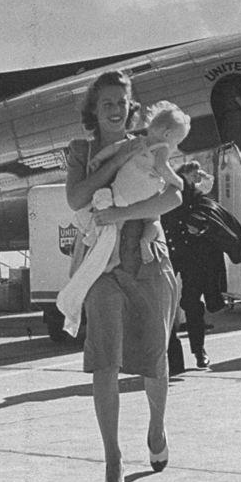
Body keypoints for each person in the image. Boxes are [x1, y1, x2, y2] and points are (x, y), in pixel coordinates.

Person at [64, 70, 182, 482]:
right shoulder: (80, 150)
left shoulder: (152, 144)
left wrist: (129, 217)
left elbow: (173, 197)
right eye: (107, 102)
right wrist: (119, 157)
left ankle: (156, 426)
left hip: (147, 258)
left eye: (122, 102)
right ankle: (112, 459)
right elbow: (77, 199)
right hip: (101, 267)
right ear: (94, 110)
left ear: (131, 107)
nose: (115, 108)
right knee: (104, 361)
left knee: (155, 355)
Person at [56, 102, 189, 337]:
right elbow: (164, 170)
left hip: (118, 195)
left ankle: (108, 249)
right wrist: (179, 181)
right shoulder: (163, 149)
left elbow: (115, 149)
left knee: (112, 233)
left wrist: (98, 159)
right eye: (177, 141)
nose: (176, 146)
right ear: (168, 135)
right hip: (132, 201)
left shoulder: (136, 142)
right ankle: (137, 245)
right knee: (143, 226)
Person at [161, 161, 225, 369]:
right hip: (171, 252)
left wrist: (201, 229)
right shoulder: (170, 191)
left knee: (192, 303)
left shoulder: (197, 196)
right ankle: (174, 356)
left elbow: (209, 194)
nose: (199, 177)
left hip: (193, 255)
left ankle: (199, 350)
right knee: (167, 304)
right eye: (195, 173)